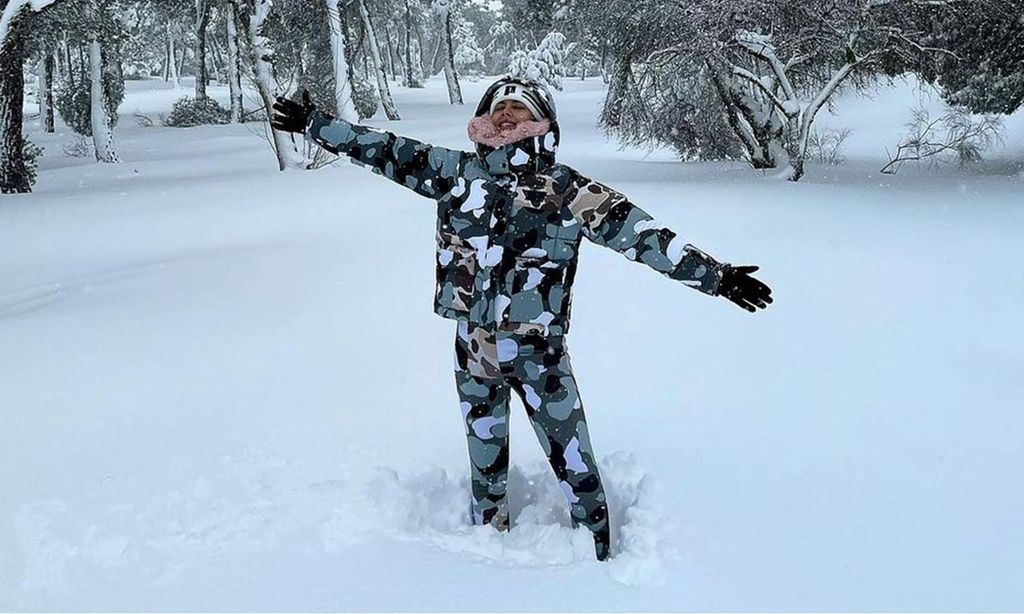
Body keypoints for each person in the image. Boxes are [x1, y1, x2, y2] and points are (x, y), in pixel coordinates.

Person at [271, 76, 772, 562]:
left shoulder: (567, 190)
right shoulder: (455, 173)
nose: (507, 113)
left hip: (541, 358)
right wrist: (316, 125)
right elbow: (382, 149)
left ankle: (599, 556)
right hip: (473, 350)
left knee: (575, 463)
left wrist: (717, 276)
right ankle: (486, 554)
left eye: (520, 107)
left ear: (542, 122)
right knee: (484, 466)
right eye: (498, 106)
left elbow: (644, 237)